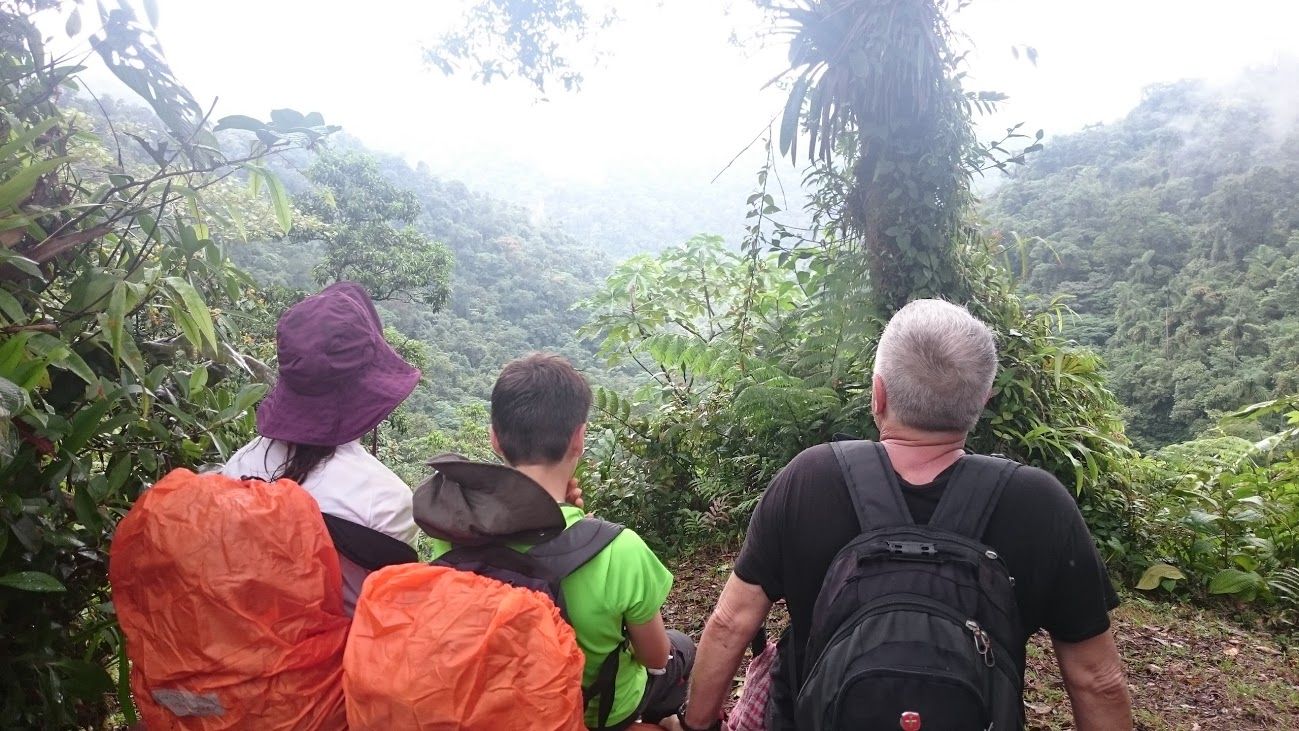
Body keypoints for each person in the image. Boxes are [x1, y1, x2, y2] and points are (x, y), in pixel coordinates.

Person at [672, 299, 1132, 731]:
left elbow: (732, 622)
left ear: (878, 394)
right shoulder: (1038, 503)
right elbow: (1097, 679)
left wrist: (698, 723)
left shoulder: (810, 478)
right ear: (982, 401)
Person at [427, 353, 695, 730]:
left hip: (498, 704)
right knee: (681, 649)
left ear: (495, 439)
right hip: (599, 712)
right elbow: (654, 658)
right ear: (579, 438)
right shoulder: (621, 550)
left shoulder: (452, 536)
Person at [222, 281, 420, 614]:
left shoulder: (238, 467)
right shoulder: (388, 501)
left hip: (240, 653)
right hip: (340, 663)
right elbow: (385, 619)